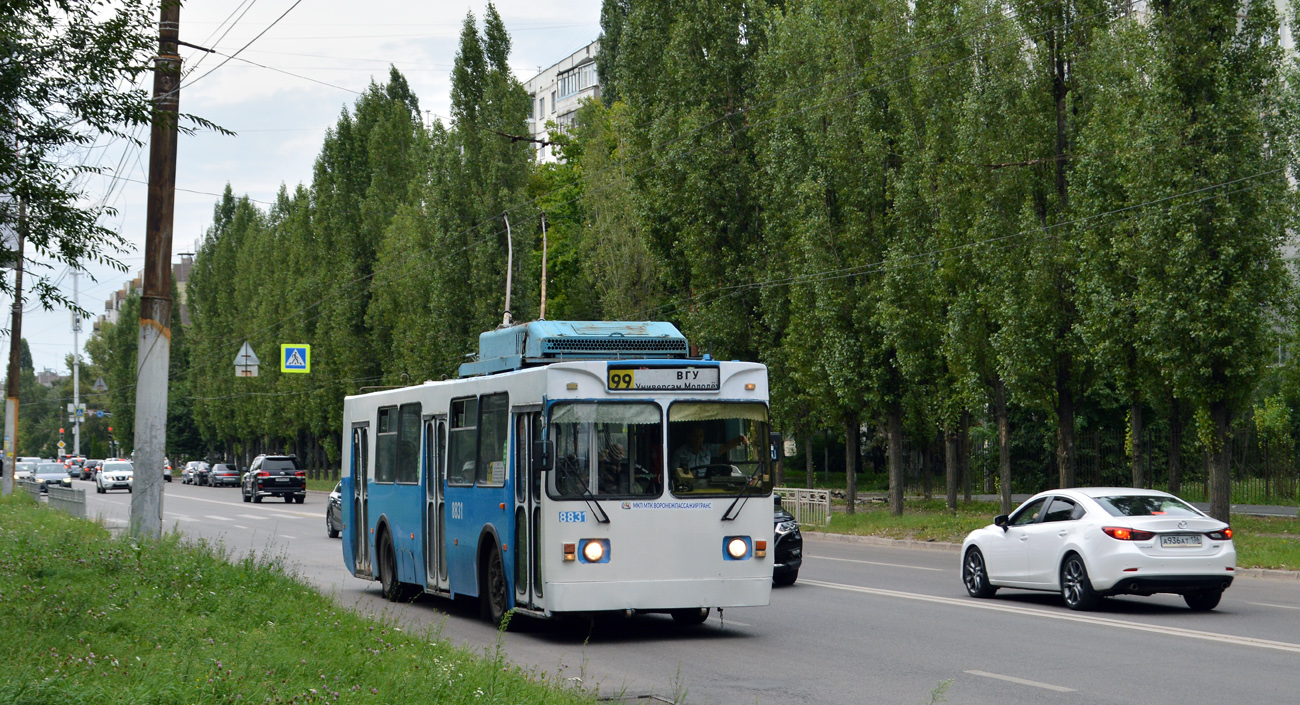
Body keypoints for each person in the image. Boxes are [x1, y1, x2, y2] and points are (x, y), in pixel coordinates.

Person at [671, 426, 748, 472]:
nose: (698, 439)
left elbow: (725, 447)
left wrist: (739, 440)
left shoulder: (708, 449)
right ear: (689, 436)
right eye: (695, 436)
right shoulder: (680, 452)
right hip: (687, 485)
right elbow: (674, 472)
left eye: (701, 436)